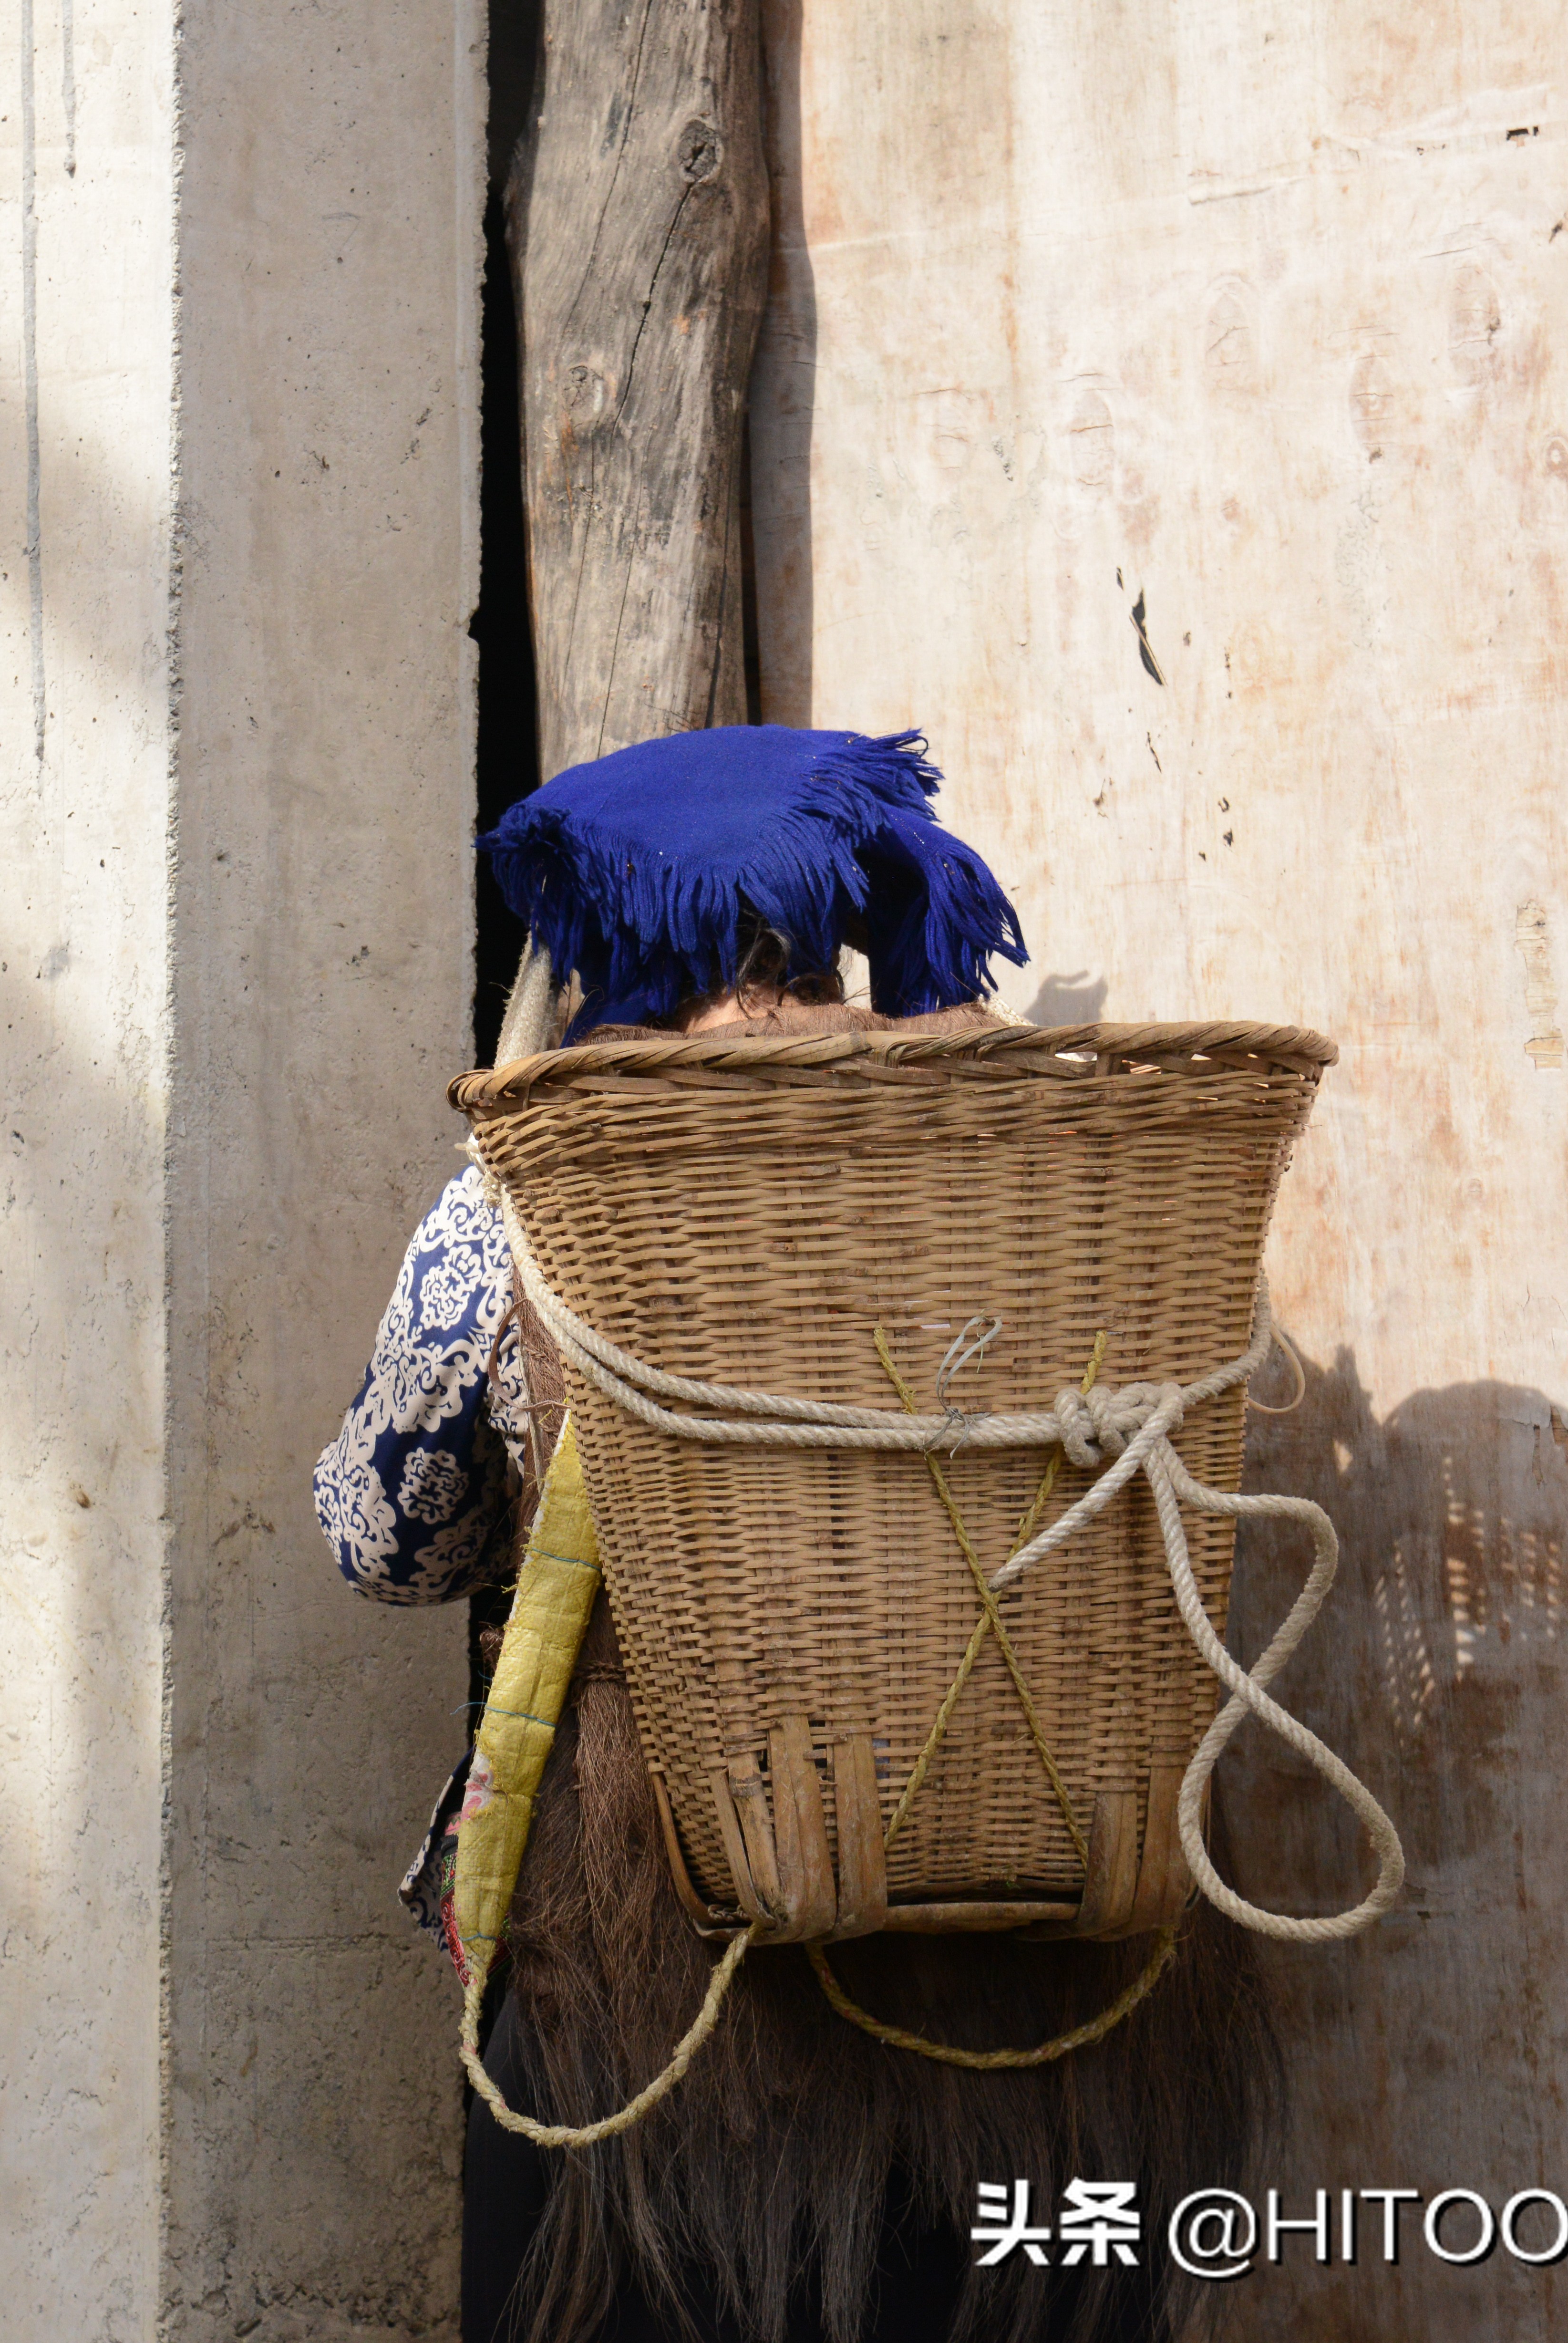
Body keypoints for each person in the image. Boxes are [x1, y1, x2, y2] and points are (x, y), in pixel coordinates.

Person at [318, 726, 1278, 2343]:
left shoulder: (535, 1186)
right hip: (1066, 1969)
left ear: (597, 924)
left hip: (673, 1993)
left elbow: (383, 1536)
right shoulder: (1069, 1144)